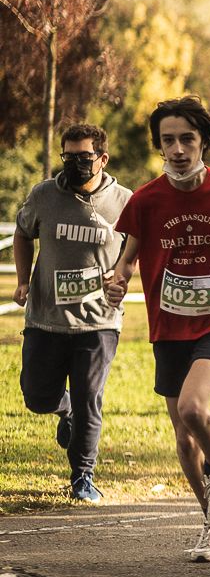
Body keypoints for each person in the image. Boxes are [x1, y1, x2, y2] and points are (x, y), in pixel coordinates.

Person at [105, 96, 210, 562]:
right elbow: (127, 259)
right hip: (167, 323)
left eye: (187, 139)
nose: (178, 149)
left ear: (203, 142)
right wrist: (118, 280)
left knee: (194, 408)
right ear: (159, 145)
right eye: (168, 141)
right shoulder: (146, 200)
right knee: (182, 437)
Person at [12, 123, 131, 503]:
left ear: (102, 158)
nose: (75, 163)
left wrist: (121, 275)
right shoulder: (44, 194)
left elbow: (137, 248)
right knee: (36, 397)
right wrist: (22, 280)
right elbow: (22, 232)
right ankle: (65, 410)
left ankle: (83, 475)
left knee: (89, 398)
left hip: (99, 321)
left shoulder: (124, 201)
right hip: (46, 318)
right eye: (69, 156)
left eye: (84, 157)